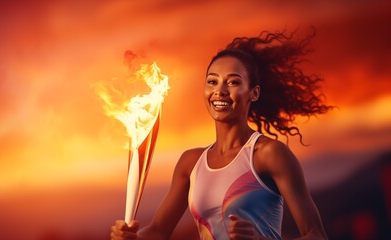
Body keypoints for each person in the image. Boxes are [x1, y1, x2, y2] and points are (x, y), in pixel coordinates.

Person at [111, 30, 331, 240]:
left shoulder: (268, 154)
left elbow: (317, 235)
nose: (220, 90)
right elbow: (158, 232)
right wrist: (129, 236)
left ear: (253, 93)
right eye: (212, 81)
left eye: (233, 82)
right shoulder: (191, 162)